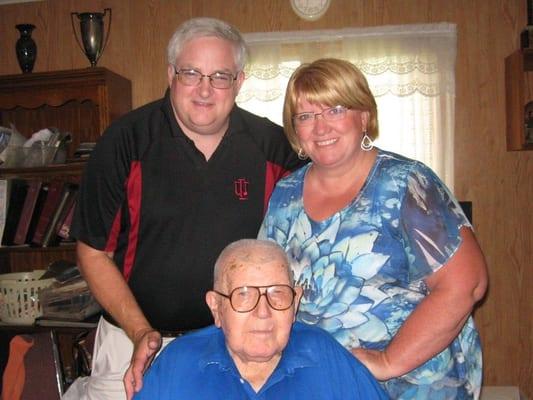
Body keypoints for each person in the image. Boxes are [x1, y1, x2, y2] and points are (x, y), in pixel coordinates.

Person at [64, 17, 304, 400]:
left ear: (239, 82)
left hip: (235, 346)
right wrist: (141, 331)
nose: (205, 90)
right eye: (191, 73)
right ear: (171, 73)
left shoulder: (273, 148)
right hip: (134, 345)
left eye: (220, 76)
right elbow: (93, 252)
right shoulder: (124, 143)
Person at [258, 58, 488, 399]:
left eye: (335, 110)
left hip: (412, 383)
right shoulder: (286, 193)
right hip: (324, 382)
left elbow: (466, 285)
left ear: (364, 116)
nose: (320, 128)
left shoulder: (405, 184)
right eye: (306, 117)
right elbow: (266, 281)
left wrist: (388, 360)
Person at [133, 239, 389, 399]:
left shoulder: (326, 357)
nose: (263, 312)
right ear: (216, 307)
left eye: (277, 294)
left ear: (296, 301)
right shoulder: (177, 364)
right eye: (243, 295)